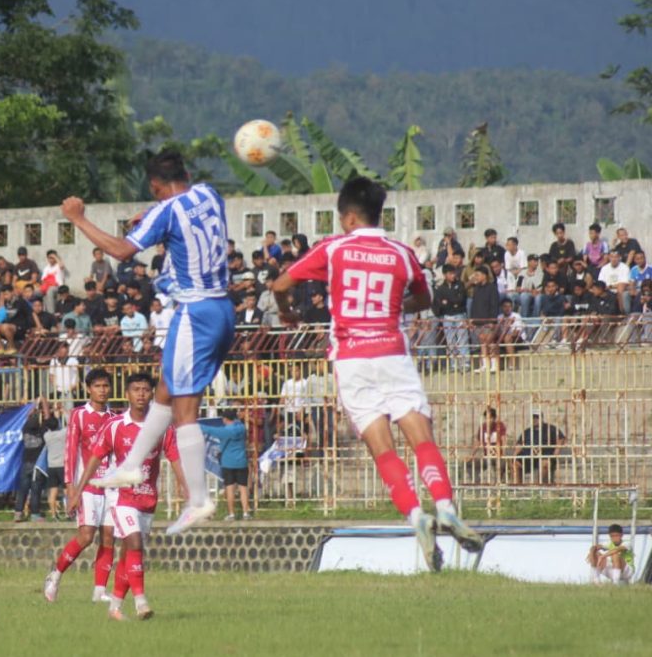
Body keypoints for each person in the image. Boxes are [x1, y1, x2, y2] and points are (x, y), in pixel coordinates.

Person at [272, 177, 483, 571]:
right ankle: (445, 506)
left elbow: (281, 283)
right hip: (392, 353)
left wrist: (286, 310)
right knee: (420, 436)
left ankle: (415, 516)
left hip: (351, 358)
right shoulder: (401, 253)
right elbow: (424, 299)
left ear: (348, 217)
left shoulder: (333, 249)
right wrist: (396, 304)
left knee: (382, 448)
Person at [66, 150, 234, 534]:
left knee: (184, 408)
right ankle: (129, 467)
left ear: (154, 186)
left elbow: (123, 250)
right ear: (187, 174)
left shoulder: (164, 211)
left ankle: (198, 499)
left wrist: (78, 218)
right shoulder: (209, 193)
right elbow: (178, 213)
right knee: (164, 389)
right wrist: (152, 215)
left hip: (195, 311)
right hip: (223, 308)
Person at [67, 372, 186, 621]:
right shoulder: (115, 426)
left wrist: (185, 487)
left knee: (128, 554)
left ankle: (115, 607)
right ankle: (141, 603)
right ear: (127, 394)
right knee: (133, 542)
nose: (141, 394)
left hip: (147, 500)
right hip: (121, 499)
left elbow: (174, 456)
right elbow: (94, 458)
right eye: (136, 389)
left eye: (145, 389)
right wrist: (77, 490)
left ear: (151, 393)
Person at [43, 368, 115, 603]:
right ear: (88, 389)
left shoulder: (114, 418)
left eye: (106, 386)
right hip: (87, 486)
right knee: (86, 536)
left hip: (111, 487)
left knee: (108, 537)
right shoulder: (79, 415)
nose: (102, 390)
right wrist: (70, 487)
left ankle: (99, 592)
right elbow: (70, 451)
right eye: (98, 386)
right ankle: (55, 574)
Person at [201, 410, 251, 521]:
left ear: (225, 419)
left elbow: (209, 430)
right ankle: (246, 513)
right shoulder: (242, 428)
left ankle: (231, 514)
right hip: (242, 462)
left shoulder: (225, 431)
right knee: (243, 488)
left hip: (228, 463)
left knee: (230, 489)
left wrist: (194, 424)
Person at [512, 410, 566, 485]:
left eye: (537, 417)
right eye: (533, 417)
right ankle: (518, 486)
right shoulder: (528, 431)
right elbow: (520, 444)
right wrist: (514, 456)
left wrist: (556, 452)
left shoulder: (550, 428)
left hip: (544, 456)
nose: (535, 419)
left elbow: (561, 438)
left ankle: (540, 486)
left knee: (544, 463)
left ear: (541, 418)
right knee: (516, 463)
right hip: (529, 457)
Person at [43, 418, 67, 521]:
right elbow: (71, 424)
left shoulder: (46, 436)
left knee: (53, 492)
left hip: (51, 466)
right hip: (62, 465)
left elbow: (49, 427)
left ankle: (53, 514)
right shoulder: (63, 434)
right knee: (67, 491)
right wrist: (62, 412)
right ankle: (68, 513)